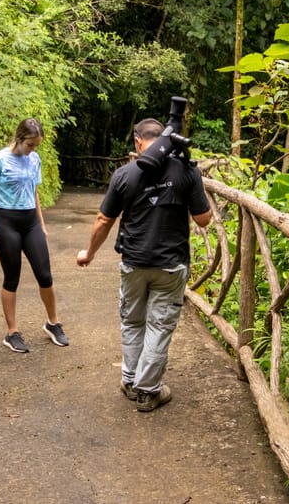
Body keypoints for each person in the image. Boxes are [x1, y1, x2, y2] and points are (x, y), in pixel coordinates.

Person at [76, 118, 212, 412]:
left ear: (138, 141)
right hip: (170, 264)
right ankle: (148, 390)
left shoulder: (125, 173)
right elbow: (203, 219)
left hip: (134, 262)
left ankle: (130, 380)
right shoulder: (186, 171)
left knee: (132, 321)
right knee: (159, 326)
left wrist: (89, 252)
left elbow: (104, 219)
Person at [0, 118, 69, 353]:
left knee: (45, 274)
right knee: (12, 277)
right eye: (30, 144)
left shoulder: (35, 159)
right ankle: (12, 332)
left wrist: (41, 224)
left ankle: (53, 323)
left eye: (36, 145)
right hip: (7, 222)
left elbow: (34, 192)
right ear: (19, 139)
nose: (33, 149)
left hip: (30, 221)